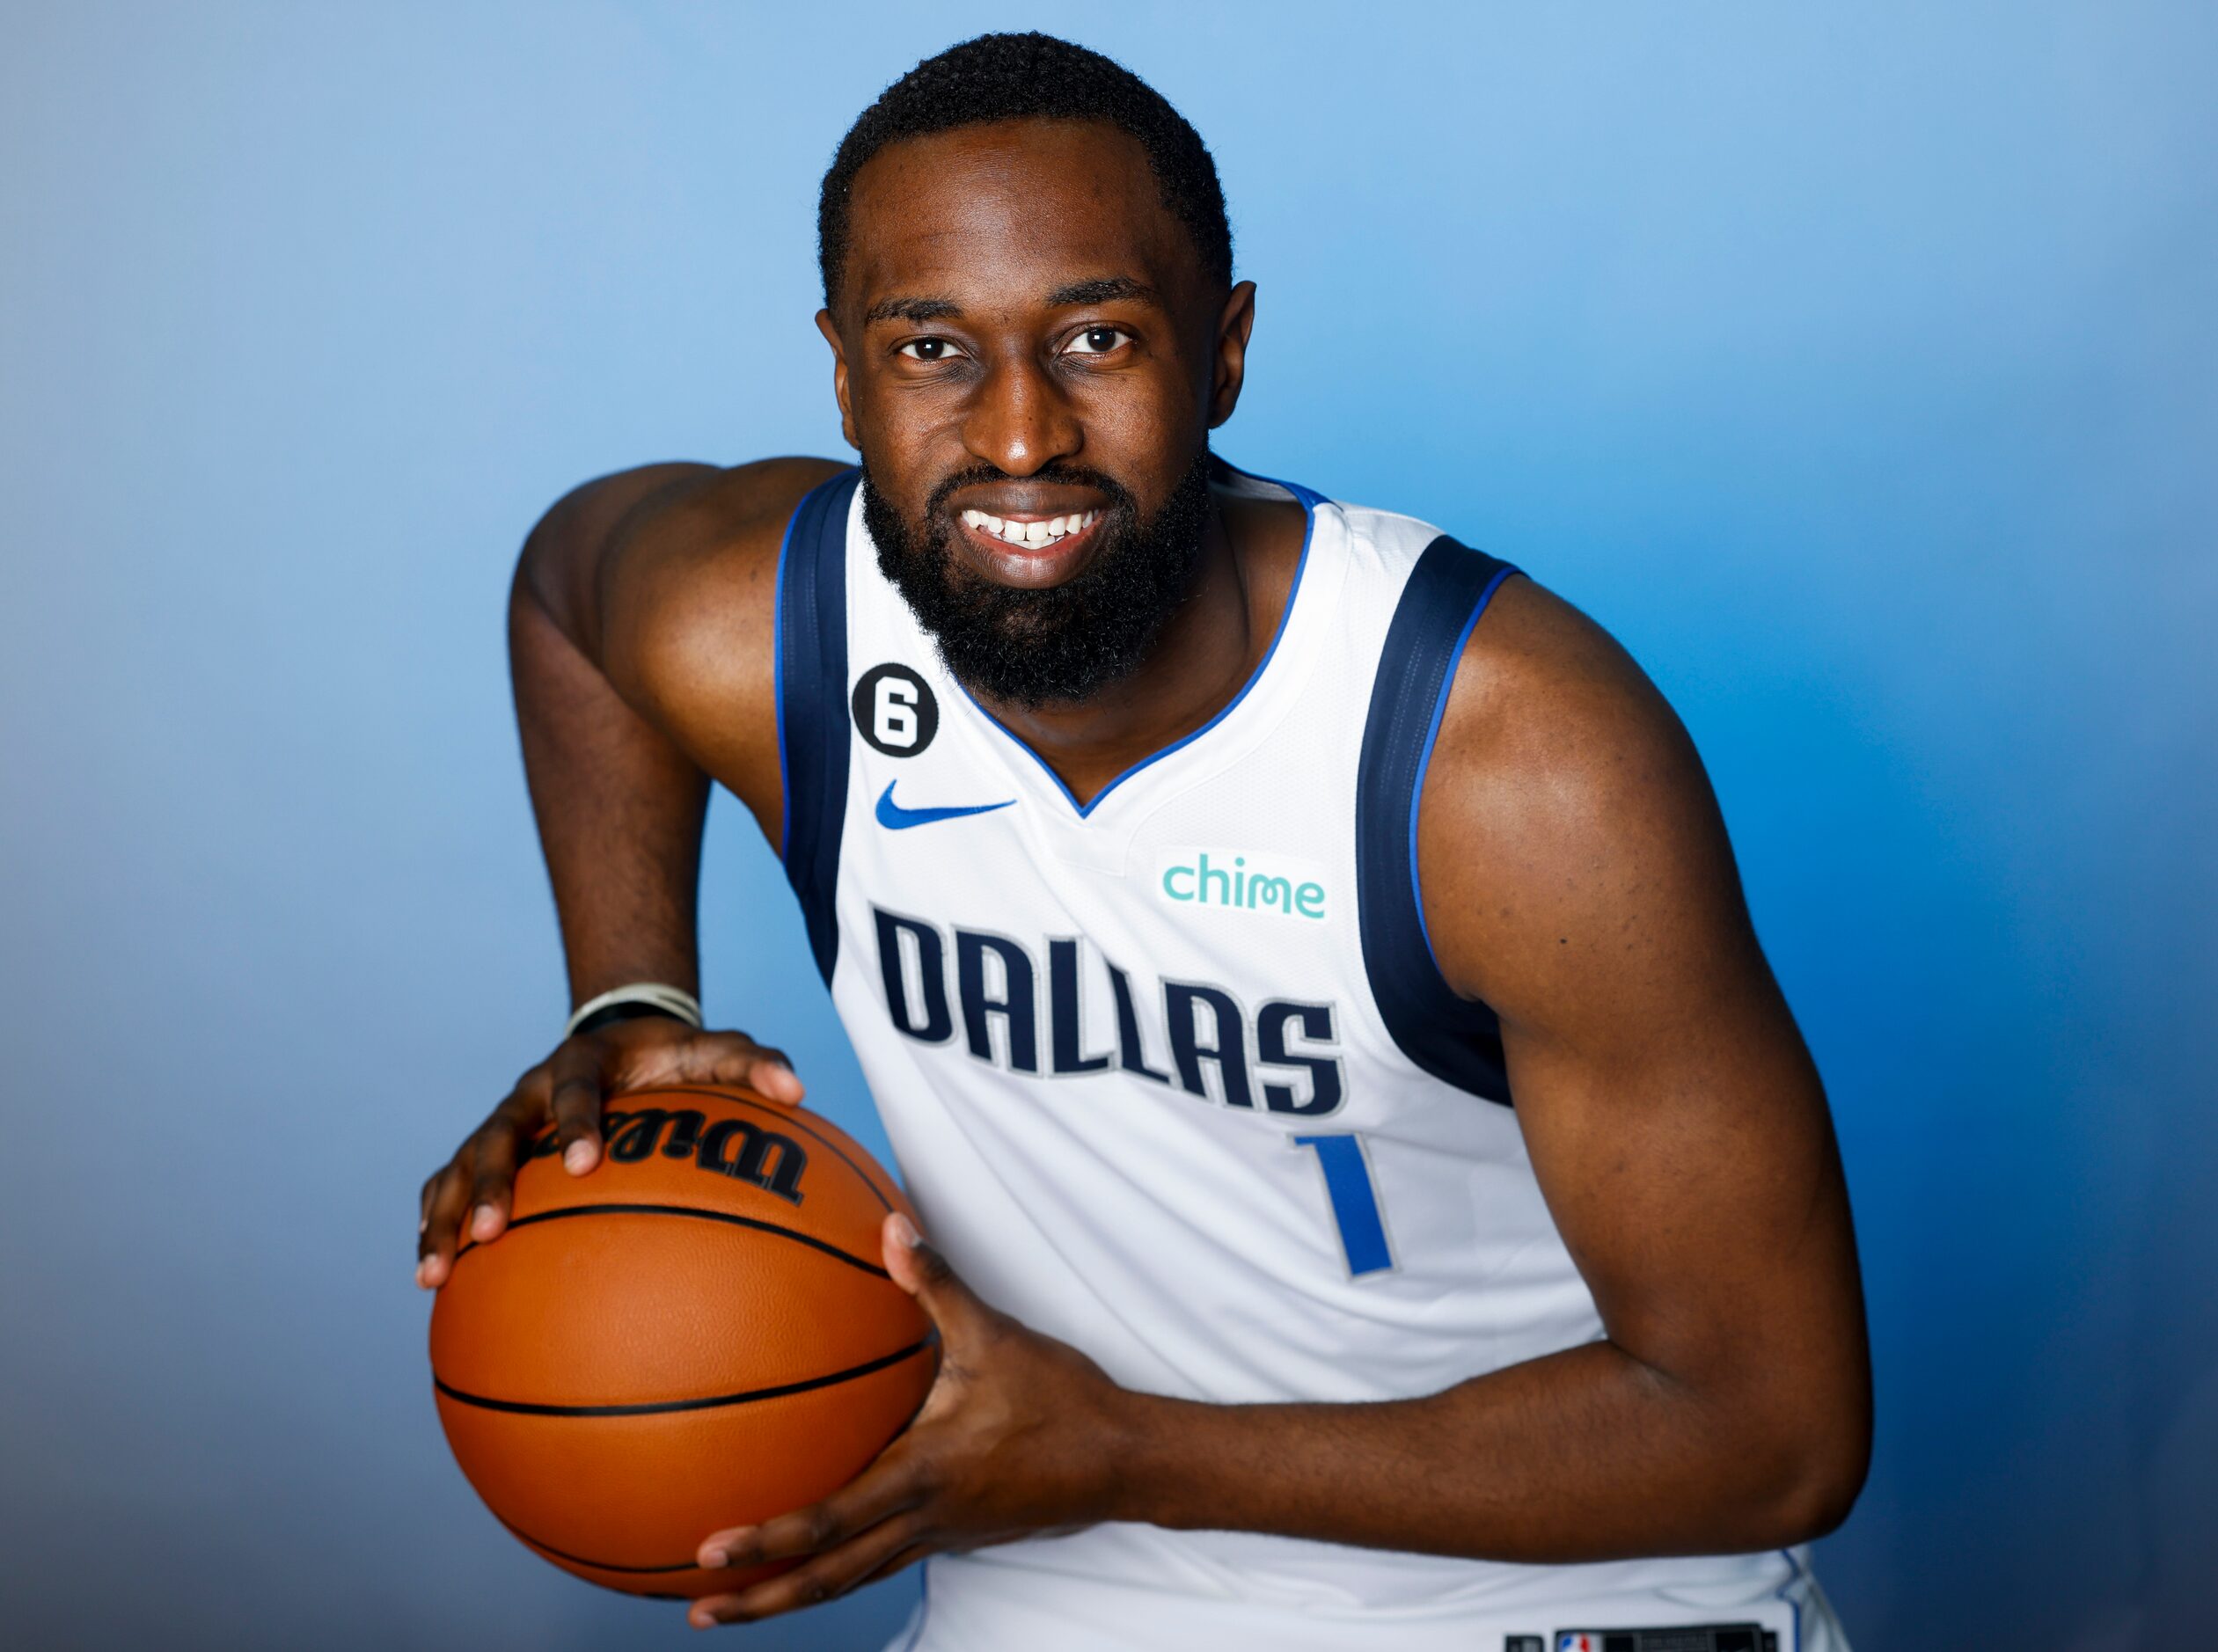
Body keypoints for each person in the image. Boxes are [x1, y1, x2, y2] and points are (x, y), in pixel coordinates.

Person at [415, 31, 1870, 1651]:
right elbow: (566, 591)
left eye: (1096, 337)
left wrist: (1126, 1447)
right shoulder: (768, 625)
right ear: (841, 371)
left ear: (1225, 351)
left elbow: (1770, 1434)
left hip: (1558, 1599)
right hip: (1045, 1583)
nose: (1020, 433)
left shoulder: (1496, 753)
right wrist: (631, 1007)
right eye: (929, 350)